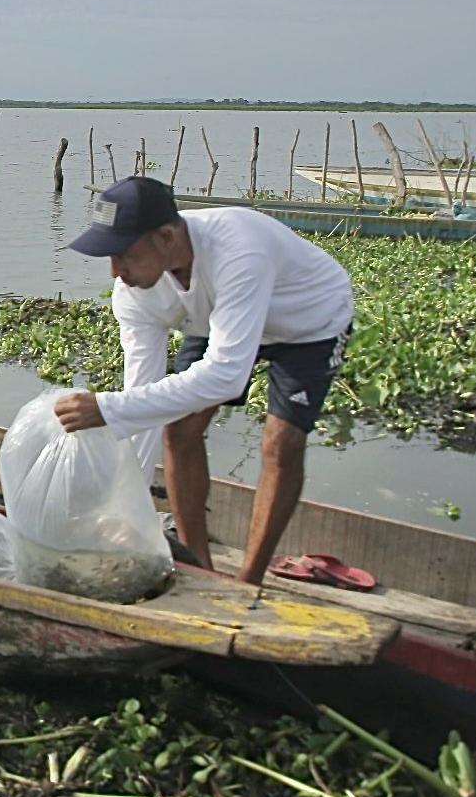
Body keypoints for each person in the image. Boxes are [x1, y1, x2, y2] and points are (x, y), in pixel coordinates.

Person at [53, 176, 353, 585]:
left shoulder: (239, 251)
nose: (114, 271)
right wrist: (127, 508)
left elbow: (226, 377)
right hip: (217, 316)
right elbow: (141, 401)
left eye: (123, 254)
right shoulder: (136, 290)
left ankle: (249, 580)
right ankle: (200, 567)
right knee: (179, 428)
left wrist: (105, 408)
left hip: (307, 322)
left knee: (281, 443)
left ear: (165, 237)